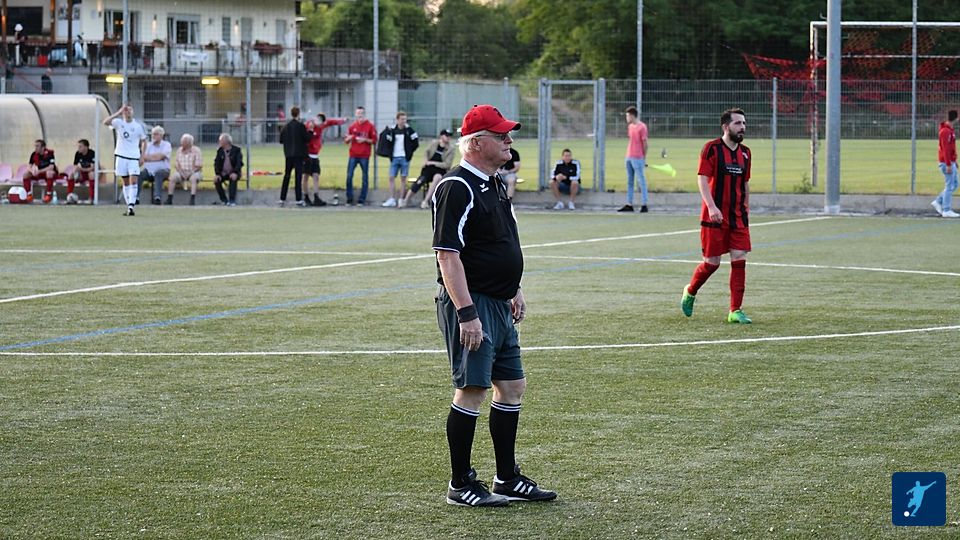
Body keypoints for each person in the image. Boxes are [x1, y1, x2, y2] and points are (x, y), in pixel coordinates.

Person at [432, 104, 557, 507]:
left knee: (512, 386)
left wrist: (513, 287)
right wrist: (467, 313)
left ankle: (506, 478)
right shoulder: (457, 186)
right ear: (476, 143)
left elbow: (499, 242)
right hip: (474, 304)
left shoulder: (495, 182)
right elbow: (447, 255)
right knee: (472, 389)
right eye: (501, 135)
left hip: (499, 303)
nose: (509, 140)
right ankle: (461, 483)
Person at [680, 108, 752, 324]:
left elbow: (745, 183)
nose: (742, 127)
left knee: (739, 258)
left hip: (738, 217)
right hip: (714, 217)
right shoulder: (711, 149)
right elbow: (702, 179)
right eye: (738, 123)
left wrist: (746, 208)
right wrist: (711, 207)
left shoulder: (746, 153)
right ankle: (690, 291)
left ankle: (735, 310)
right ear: (726, 126)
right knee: (712, 263)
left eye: (744, 123)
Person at [103, 103, 147, 216]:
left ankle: (131, 205)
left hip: (133, 157)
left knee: (133, 181)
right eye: (126, 110)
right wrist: (118, 112)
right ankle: (129, 207)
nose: (128, 112)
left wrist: (142, 156)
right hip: (121, 157)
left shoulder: (138, 126)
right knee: (126, 182)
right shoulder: (118, 123)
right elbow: (105, 122)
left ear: (133, 112)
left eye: (130, 110)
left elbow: (144, 141)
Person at [399, 129, 455, 209]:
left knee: (437, 178)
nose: (448, 138)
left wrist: (433, 163)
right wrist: (425, 161)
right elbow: (426, 153)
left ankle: (425, 201)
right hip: (428, 169)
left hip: (440, 170)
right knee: (420, 180)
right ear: (441, 136)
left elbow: (447, 164)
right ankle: (406, 200)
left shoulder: (451, 149)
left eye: (449, 136)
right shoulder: (434, 144)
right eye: (447, 136)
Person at [302, 112, 347, 207]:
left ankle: (316, 197)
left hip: (315, 155)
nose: (318, 123)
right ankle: (305, 197)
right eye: (317, 120)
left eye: (320, 122)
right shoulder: (309, 126)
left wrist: (342, 121)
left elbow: (331, 122)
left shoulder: (321, 126)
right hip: (307, 155)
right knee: (305, 176)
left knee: (316, 176)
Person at [378, 111, 419, 207]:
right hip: (395, 157)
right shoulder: (392, 130)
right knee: (391, 177)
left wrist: (409, 152)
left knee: (403, 179)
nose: (403, 121)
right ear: (397, 120)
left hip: (405, 157)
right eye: (402, 119)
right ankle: (392, 198)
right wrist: (389, 153)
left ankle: (401, 199)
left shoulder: (409, 131)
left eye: (405, 119)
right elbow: (387, 141)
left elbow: (415, 142)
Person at [344, 106, 377, 206]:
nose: (360, 115)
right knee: (349, 176)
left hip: (364, 155)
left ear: (364, 114)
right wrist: (349, 138)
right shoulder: (352, 126)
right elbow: (346, 140)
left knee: (365, 177)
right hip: (353, 154)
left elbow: (374, 140)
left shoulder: (370, 126)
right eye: (358, 113)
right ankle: (349, 198)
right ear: (356, 114)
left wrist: (365, 140)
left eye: (362, 113)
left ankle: (362, 199)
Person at [279, 106, 309, 207]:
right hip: (298, 155)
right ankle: (298, 199)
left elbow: (281, 140)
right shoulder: (301, 126)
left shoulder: (285, 127)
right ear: (298, 114)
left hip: (288, 155)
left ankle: (282, 198)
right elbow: (307, 138)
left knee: (287, 175)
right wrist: (311, 131)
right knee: (298, 176)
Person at [620, 105, 649, 212]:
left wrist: (643, 157)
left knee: (641, 181)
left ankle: (644, 204)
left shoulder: (642, 127)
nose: (626, 118)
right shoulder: (630, 127)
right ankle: (629, 203)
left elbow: (645, 143)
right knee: (630, 181)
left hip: (638, 157)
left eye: (627, 116)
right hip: (629, 156)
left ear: (632, 115)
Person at [931, 109, 959, 218]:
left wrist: (954, 161)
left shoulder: (949, 130)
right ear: (956, 118)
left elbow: (951, 148)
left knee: (955, 184)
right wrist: (948, 164)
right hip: (946, 162)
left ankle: (938, 201)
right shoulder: (945, 132)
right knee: (949, 185)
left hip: (950, 161)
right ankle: (946, 209)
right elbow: (945, 149)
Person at [139, 125, 172, 205]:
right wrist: (156, 157)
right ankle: (135, 197)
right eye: (152, 134)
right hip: (148, 171)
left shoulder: (166, 145)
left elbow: (161, 156)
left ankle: (157, 197)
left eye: (156, 134)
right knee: (139, 174)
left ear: (161, 135)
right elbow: (143, 157)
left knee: (158, 174)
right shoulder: (148, 145)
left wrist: (149, 157)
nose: (153, 136)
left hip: (163, 170)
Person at [168, 133, 202, 205]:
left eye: (183, 142)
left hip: (194, 172)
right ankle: (169, 198)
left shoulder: (196, 150)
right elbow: (176, 164)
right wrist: (181, 172)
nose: (181, 143)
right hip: (181, 172)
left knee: (193, 178)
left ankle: (192, 199)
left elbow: (198, 165)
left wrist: (190, 173)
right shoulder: (179, 150)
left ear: (189, 143)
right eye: (182, 142)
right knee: (173, 178)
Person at [22, 139, 58, 203]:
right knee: (25, 175)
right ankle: (29, 195)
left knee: (49, 173)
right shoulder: (34, 154)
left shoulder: (50, 154)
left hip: (50, 174)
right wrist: (32, 171)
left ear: (43, 147)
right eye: (35, 146)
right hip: (39, 173)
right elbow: (29, 166)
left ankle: (48, 195)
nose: (35, 148)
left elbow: (51, 167)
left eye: (37, 146)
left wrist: (39, 171)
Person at [213, 133, 243, 207]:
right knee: (216, 180)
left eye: (220, 140)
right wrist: (217, 174)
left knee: (233, 178)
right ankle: (224, 200)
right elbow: (216, 163)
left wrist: (235, 172)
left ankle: (232, 200)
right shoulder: (219, 151)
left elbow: (239, 163)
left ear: (225, 142)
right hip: (223, 173)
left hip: (234, 172)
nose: (219, 142)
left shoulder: (237, 150)